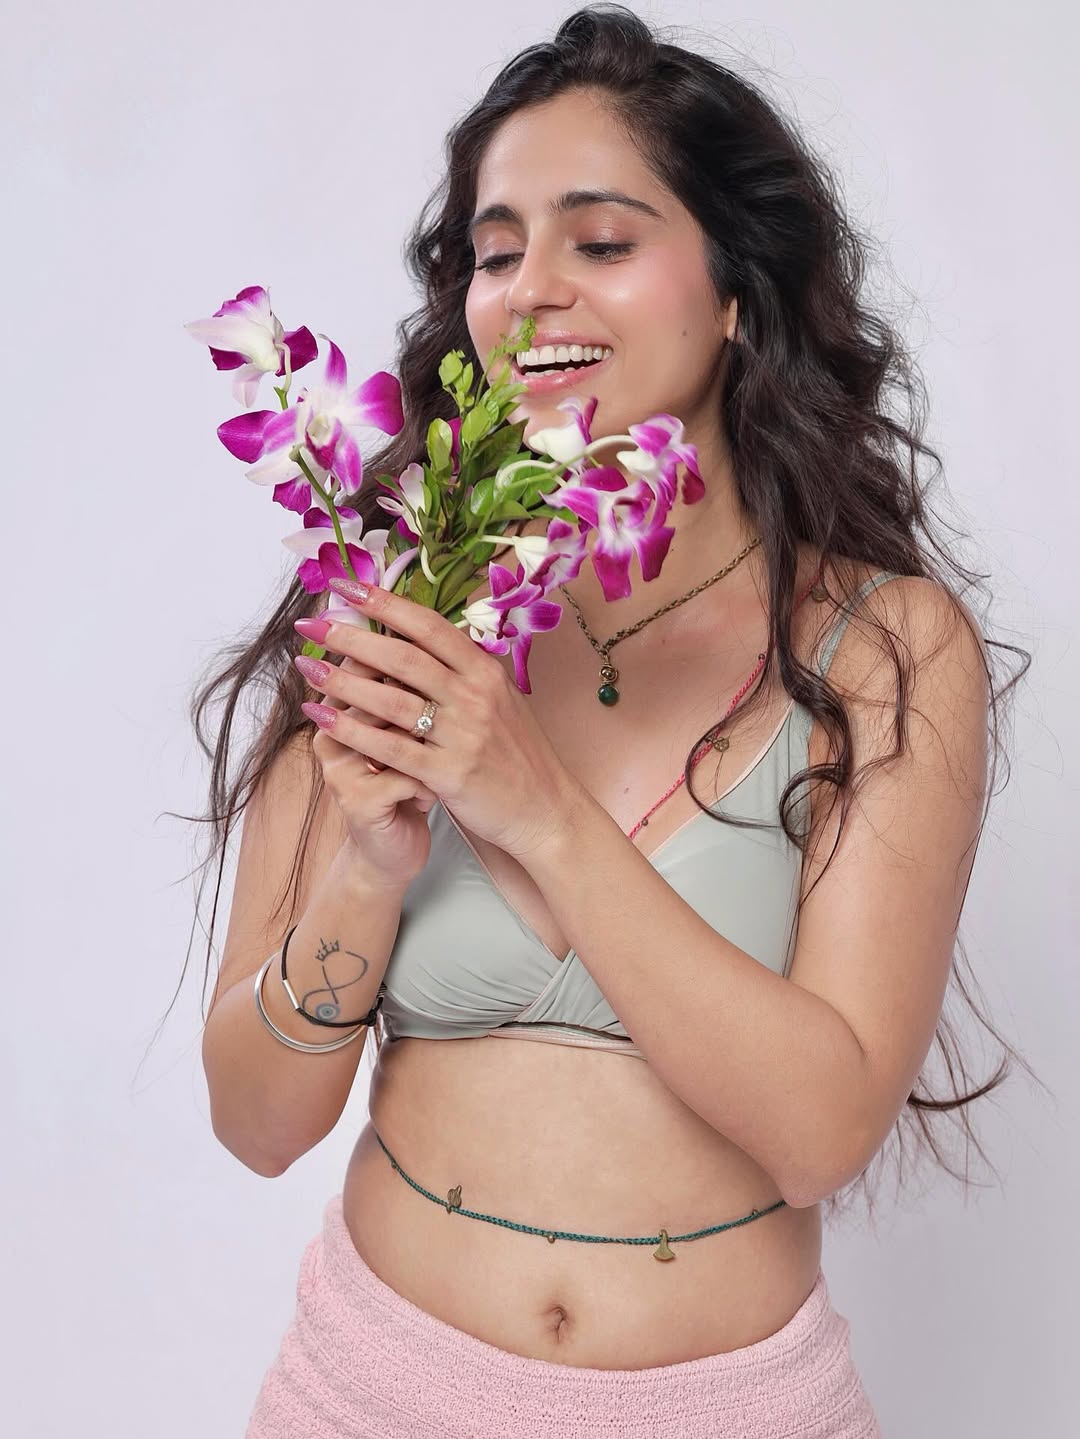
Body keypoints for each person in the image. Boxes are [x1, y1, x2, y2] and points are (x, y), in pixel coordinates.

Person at [194, 7, 1023, 1435]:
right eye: (496, 252)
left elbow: (822, 1133)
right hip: (369, 1393)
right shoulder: (399, 601)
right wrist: (367, 870)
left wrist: (536, 808)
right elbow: (258, 1125)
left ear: (737, 292)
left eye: (600, 240)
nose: (532, 291)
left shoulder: (884, 650)